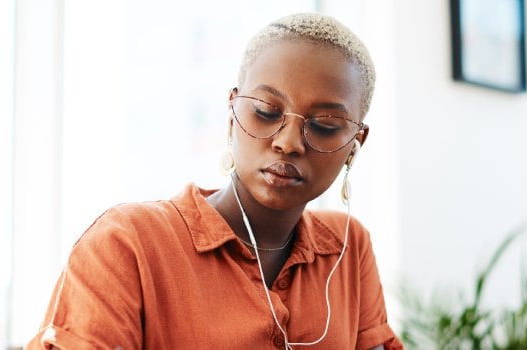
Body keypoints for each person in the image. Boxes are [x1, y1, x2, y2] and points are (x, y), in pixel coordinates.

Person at [27, 12, 403, 350]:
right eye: (266, 112)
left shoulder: (347, 248)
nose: (287, 142)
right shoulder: (127, 243)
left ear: (355, 143)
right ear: (232, 111)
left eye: (324, 125)